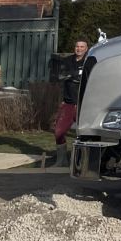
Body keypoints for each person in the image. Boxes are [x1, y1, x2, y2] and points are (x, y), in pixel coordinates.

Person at [51, 38, 89, 166]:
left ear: (86, 48)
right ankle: (61, 160)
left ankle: (84, 162)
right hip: (68, 103)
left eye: (82, 47)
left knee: (86, 134)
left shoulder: (89, 62)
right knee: (59, 132)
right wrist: (73, 76)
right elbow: (61, 75)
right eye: (77, 46)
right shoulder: (67, 61)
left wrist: (75, 76)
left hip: (84, 104)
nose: (79, 49)